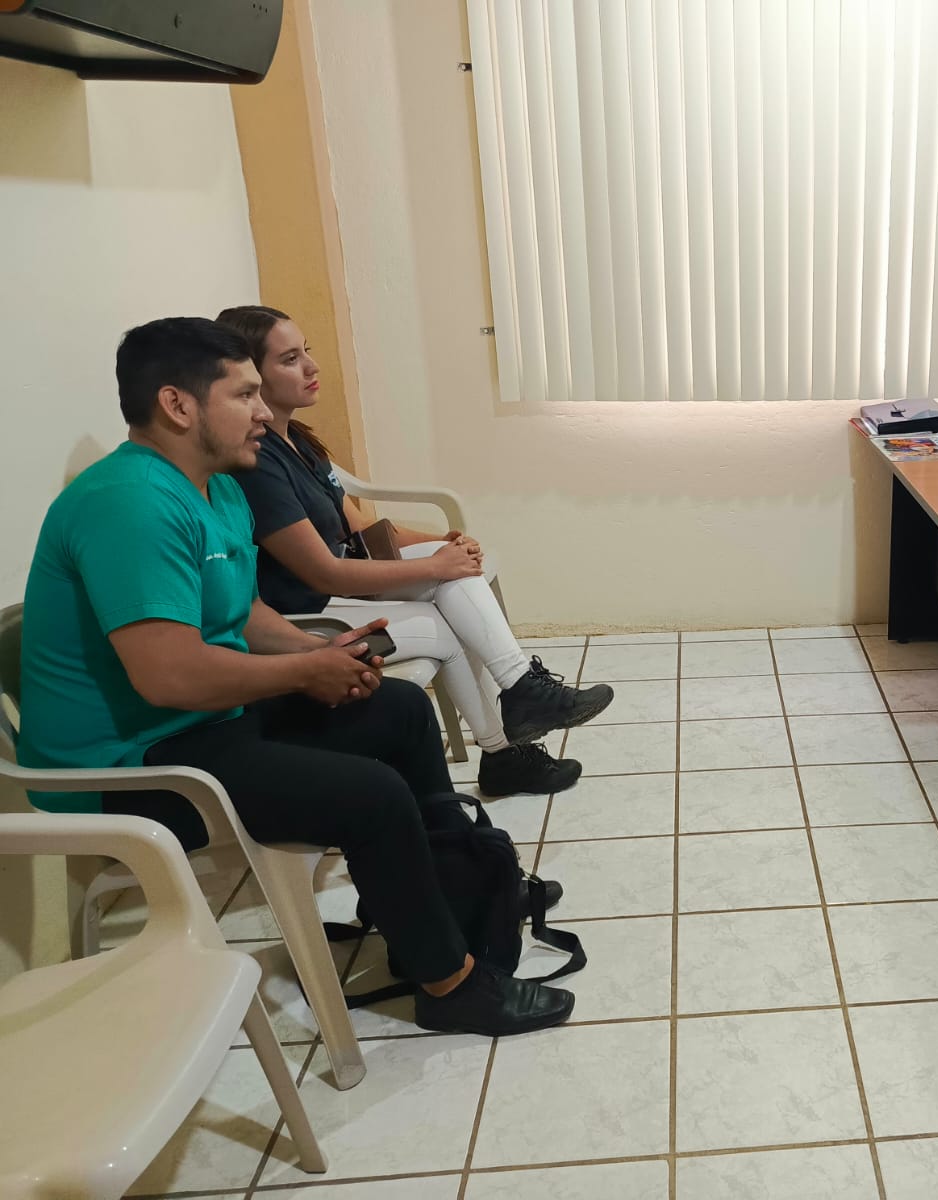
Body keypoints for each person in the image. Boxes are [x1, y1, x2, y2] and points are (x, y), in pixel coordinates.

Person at [19, 317, 571, 1035]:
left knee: (401, 711)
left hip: (199, 723)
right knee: (371, 795)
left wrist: (327, 652)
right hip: (131, 765)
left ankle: (450, 894)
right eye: (244, 394)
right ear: (178, 405)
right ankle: (449, 985)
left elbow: (243, 615)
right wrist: (303, 672)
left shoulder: (214, 488)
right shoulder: (128, 504)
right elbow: (168, 677)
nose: (262, 412)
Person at [214, 305, 610, 798]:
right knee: (447, 623)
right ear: (251, 375)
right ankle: (507, 743)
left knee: (458, 576)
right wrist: (435, 563)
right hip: (311, 615)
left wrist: (441, 544)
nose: (312, 367)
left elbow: (361, 529)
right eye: (290, 359)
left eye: (306, 352)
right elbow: (326, 574)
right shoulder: (258, 465)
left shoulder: (298, 441)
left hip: (347, 589)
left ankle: (519, 703)